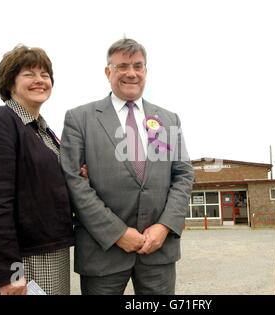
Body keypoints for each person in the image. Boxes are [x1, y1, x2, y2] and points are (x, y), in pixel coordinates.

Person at [60, 38, 194, 295]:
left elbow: (183, 175)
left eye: (138, 66)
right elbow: (73, 180)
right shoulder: (80, 118)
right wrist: (118, 233)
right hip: (103, 251)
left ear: (145, 71)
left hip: (158, 250)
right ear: (108, 71)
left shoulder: (166, 119)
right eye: (122, 66)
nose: (131, 73)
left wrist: (164, 226)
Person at [0, 44, 75, 295]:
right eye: (29, 74)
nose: (40, 80)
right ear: (10, 83)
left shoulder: (44, 133)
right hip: (19, 262)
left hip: (50, 256)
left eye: (45, 75)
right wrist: (8, 272)